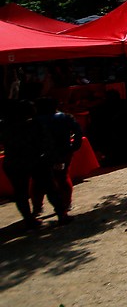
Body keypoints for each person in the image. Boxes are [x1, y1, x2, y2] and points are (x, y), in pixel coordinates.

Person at [32, 96, 83, 225]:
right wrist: (74, 146)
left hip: (42, 155)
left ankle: (37, 207)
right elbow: (78, 131)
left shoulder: (35, 121)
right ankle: (66, 203)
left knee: (39, 182)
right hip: (63, 152)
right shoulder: (65, 117)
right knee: (63, 178)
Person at [1, 101, 44, 229]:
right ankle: (35, 212)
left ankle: (29, 217)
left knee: (20, 192)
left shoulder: (4, 126)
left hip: (12, 162)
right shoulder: (31, 124)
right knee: (40, 185)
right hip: (29, 160)